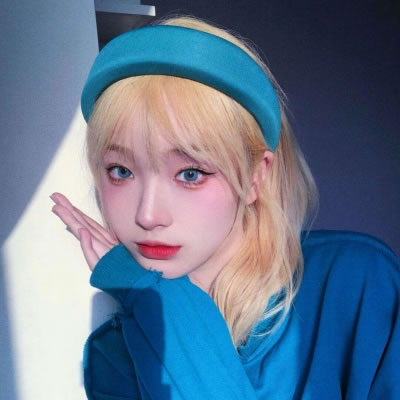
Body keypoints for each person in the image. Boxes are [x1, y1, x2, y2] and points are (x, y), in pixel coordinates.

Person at [50, 15, 400, 400]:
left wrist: (164, 304)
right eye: (121, 171)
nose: (147, 216)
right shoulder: (114, 354)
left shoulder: (358, 284)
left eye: (190, 174)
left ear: (255, 177)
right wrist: (163, 302)